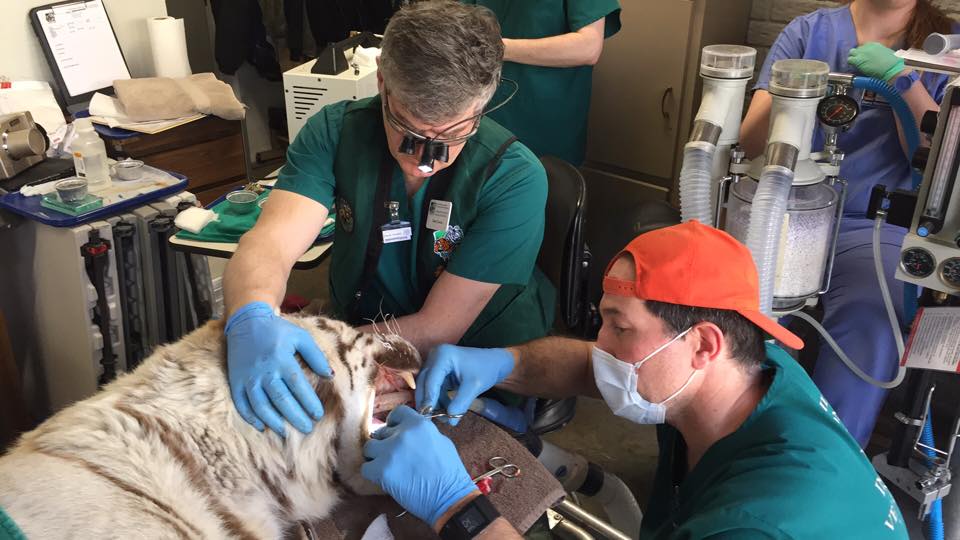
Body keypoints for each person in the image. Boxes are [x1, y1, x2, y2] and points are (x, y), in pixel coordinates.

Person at [362, 221, 908, 538]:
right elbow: (599, 367)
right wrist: (503, 364)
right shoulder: (746, 372)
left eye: (618, 328)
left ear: (702, 344)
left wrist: (457, 506)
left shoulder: (756, 526)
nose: (599, 347)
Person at [222, 1, 556, 437]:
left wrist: (323, 357)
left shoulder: (514, 178)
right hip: (360, 332)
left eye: (453, 136)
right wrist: (251, 316)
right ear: (382, 82)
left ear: (482, 105)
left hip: (468, 358)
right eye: (410, 131)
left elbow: (438, 329)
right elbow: (272, 242)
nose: (426, 163)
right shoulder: (336, 133)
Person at [739, 0, 957, 446]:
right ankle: (732, 451)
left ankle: (826, 463)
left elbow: (941, 160)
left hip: (873, 226)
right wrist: (790, 92)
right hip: (788, 214)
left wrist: (903, 81)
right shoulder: (808, 33)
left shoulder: (947, 46)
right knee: (732, 310)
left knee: (871, 318)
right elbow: (749, 139)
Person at [461, 0, 621, 166]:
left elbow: (588, 47)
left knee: (536, 182)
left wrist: (498, 49)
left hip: (540, 120)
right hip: (471, 114)